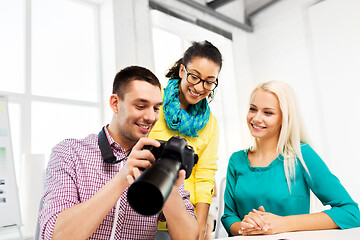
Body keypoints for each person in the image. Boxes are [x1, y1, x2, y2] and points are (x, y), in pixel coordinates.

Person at [37, 66, 199, 240]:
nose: (151, 117)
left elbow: (190, 237)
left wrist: (170, 191)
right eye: (141, 106)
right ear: (115, 103)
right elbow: (57, 236)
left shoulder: (160, 160)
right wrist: (122, 179)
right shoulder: (69, 153)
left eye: (156, 108)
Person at [221, 80, 360, 236]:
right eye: (253, 109)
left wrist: (282, 224)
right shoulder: (236, 160)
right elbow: (229, 216)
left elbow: (351, 213)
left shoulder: (302, 155)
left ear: (284, 118)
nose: (256, 118)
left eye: (268, 112)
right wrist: (246, 228)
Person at [149, 40, 222, 239]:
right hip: (144, 213)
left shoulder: (210, 124)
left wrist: (199, 226)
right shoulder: (154, 103)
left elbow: (205, 175)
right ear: (182, 70)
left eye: (209, 81)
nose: (200, 87)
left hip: (183, 219)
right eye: (194, 77)